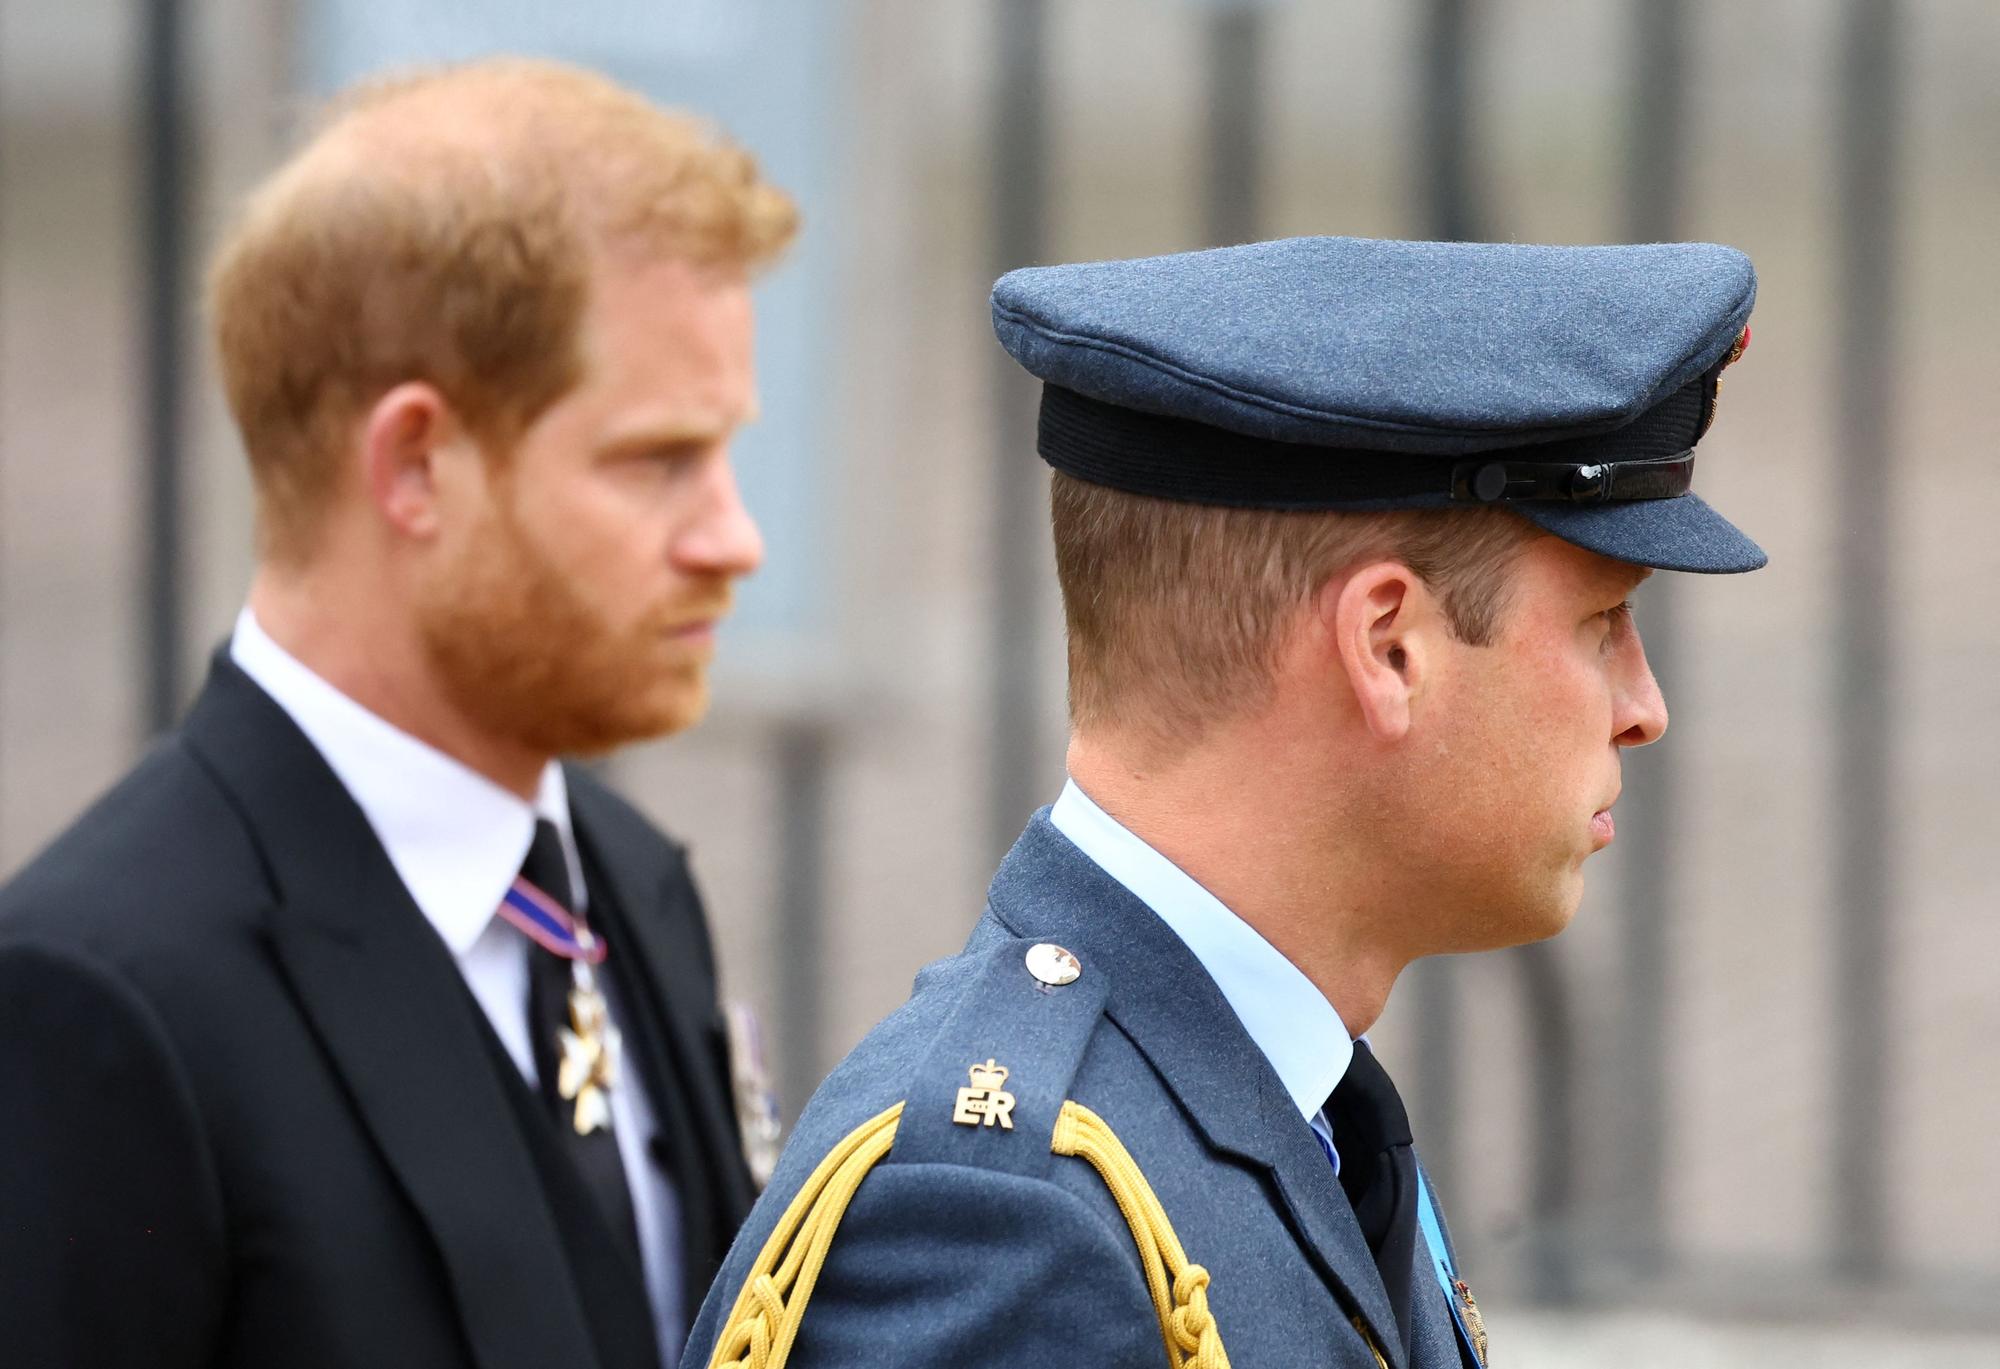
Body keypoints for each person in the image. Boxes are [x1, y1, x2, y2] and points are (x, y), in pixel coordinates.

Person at [683, 236, 1764, 1369]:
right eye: (1601, 624)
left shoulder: (1290, 1108)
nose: (1643, 707)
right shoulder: (1011, 1226)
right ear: (1387, 646)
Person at [0, 59, 796, 1369]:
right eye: (658, 459)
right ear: (415, 463)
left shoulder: (628, 885)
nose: (734, 537)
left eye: (727, 453)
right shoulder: (103, 1003)